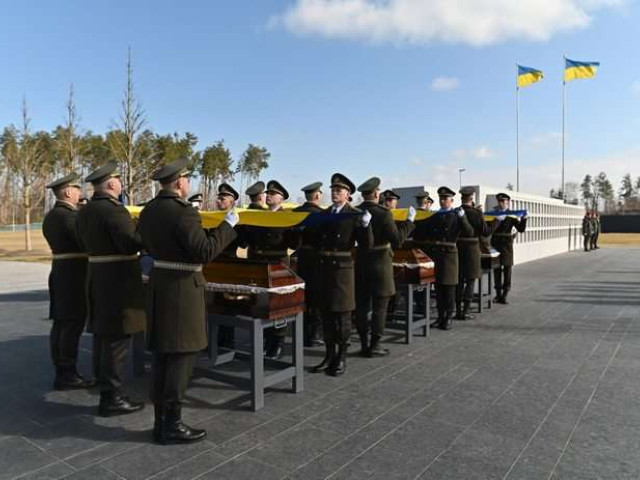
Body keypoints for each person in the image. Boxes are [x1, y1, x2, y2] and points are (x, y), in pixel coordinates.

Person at [138, 157, 238, 444]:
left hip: (160, 284)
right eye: (187, 179)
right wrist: (228, 226)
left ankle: (160, 421)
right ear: (180, 182)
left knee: (162, 355)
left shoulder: (149, 210)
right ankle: (172, 424)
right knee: (182, 355)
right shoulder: (184, 213)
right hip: (183, 288)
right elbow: (204, 252)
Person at [76, 161, 146, 417]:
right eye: (118, 180)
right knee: (117, 340)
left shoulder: (85, 211)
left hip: (97, 277)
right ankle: (112, 397)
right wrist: (143, 227)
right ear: (112, 184)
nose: (121, 184)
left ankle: (105, 386)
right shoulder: (114, 211)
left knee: (103, 337)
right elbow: (131, 243)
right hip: (118, 281)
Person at [310, 173, 372, 376]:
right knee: (326, 314)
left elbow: (367, 245)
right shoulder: (325, 214)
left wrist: (365, 226)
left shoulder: (354, 214)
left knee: (343, 316)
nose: (335, 193)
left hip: (343, 271)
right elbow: (315, 240)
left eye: (339, 190)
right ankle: (329, 355)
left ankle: (342, 357)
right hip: (324, 268)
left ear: (347, 194)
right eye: (333, 190)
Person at [42, 173, 95, 390]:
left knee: (61, 323)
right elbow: (86, 242)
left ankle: (62, 370)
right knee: (72, 324)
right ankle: (67, 373)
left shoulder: (52, 216)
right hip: (74, 274)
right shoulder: (69, 217)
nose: (79, 193)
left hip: (60, 271)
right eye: (76, 189)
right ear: (67, 192)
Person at [355, 178, 415, 357]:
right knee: (380, 307)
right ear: (376, 194)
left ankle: (364, 343)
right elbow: (397, 239)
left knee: (362, 306)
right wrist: (409, 221)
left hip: (361, 263)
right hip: (381, 264)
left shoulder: (355, 212)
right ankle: (375, 345)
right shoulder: (384, 214)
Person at [239, 180, 292, 359]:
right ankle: (266, 340)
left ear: (281, 198)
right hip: (260, 263)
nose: (268, 196)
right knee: (262, 304)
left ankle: (278, 342)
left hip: (278, 263)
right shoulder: (259, 215)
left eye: (273, 194)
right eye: (267, 193)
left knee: (278, 305)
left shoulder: (286, 217)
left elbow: (294, 243)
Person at [412, 187, 473, 330]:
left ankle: (448, 317)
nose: (442, 201)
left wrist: (463, 218)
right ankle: (440, 317)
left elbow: (469, 232)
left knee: (449, 289)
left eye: (445, 199)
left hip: (450, 255)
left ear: (452, 200)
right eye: (441, 198)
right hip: (437, 255)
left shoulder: (456, 215)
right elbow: (424, 231)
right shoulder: (435, 215)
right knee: (439, 288)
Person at [291, 182, 325, 347]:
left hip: (300, 257)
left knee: (302, 296)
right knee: (317, 296)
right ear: (317, 195)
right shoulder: (322, 214)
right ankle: (315, 333)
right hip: (317, 258)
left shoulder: (296, 213)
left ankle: (302, 331)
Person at [455, 187, 490, 320]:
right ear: (472, 198)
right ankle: (466, 311)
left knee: (459, 281)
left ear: (462, 198)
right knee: (470, 280)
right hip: (472, 250)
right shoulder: (477, 213)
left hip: (458, 248)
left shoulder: (456, 212)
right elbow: (486, 232)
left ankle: (458, 310)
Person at [489, 193, 528, 304]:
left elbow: (521, 229)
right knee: (496, 269)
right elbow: (488, 228)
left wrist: (524, 218)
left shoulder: (511, 215)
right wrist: (496, 219)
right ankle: (498, 294)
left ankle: (505, 294)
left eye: (504, 201)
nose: (501, 203)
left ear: (508, 202)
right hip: (495, 243)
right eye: (500, 201)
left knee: (507, 269)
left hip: (506, 244)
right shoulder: (494, 214)